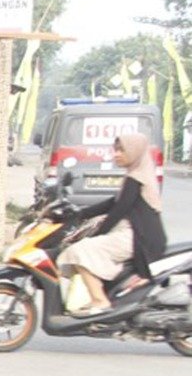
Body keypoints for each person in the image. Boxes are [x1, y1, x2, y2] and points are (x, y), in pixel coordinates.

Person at [59, 131, 166, 314]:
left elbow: (117, 212)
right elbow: (112, 203)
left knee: (79, 250)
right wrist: (80, 213)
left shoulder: (136, 179)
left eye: (121, 151)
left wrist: (97, 233)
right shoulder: (136, 175)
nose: (116, 154)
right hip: (133, 235)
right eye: (115, 150)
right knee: (86, 247)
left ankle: (100, 301)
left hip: (136, 237)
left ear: (134, 153)